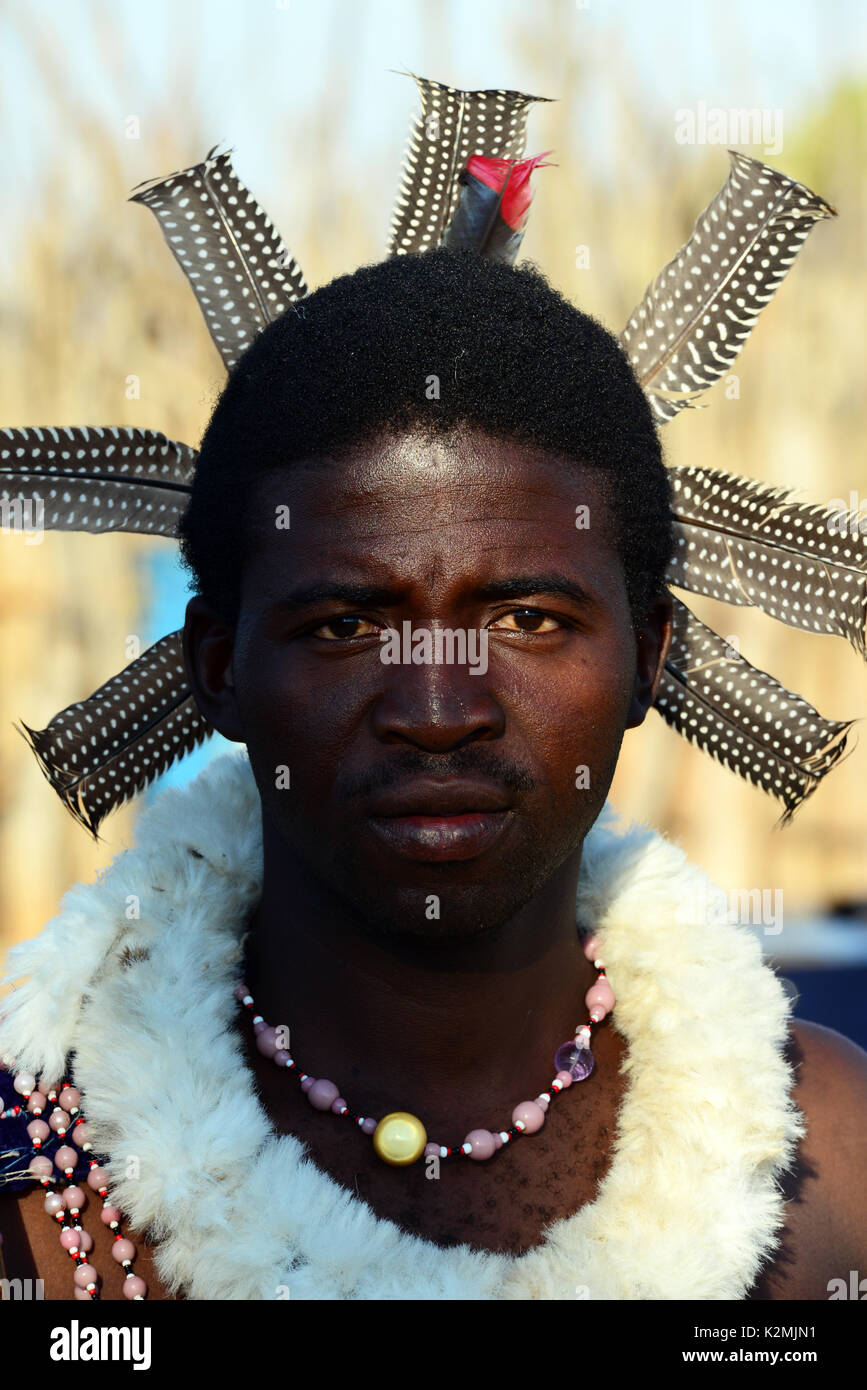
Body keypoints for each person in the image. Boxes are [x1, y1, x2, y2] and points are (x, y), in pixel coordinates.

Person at [2, 248, 865, 1301]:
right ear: (219, 672)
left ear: (649, 658)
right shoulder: (44, 1187)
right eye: (349, 624)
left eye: (527, 620)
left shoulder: (833, 1162)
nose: (439, 710)